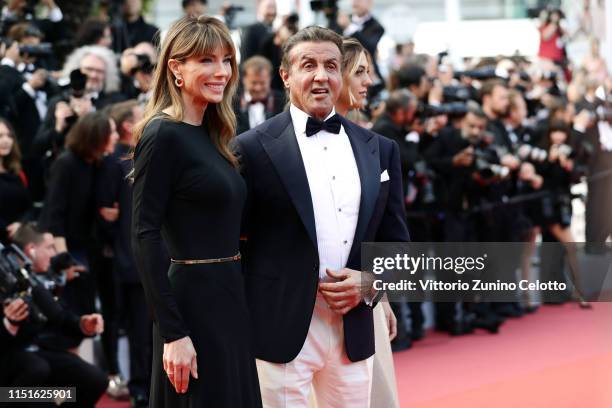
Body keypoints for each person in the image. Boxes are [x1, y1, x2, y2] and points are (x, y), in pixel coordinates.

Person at [235, 26, 410, 408]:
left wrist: (371, 282)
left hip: (353, 326)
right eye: (307, 64)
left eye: (331, 65)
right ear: (286, 75)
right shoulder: (250, 148)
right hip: (280, 327)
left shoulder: (380, 150)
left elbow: (397, 242)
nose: (320, 75)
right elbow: (234, 243)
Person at [131, 15, 261, 407]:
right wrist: (173, 333)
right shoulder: (161, 134)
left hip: (229, 297)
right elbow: (144, 234)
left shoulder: (215, 134)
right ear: (176, 68)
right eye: (206, 61)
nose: (220, 72)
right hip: (192, 304)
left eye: (226, 60)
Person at [335, 37, 400, 408]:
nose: (367, 81)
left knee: (377, 398)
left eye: (369, 72)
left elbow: (386, 233)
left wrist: (381, 291)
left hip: (365, 300)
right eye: (359, 71)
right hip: (301, 311)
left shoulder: (382, 148)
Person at [38, 111, 119, 319]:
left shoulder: (96, 163)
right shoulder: (66, 164)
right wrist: (65, 261)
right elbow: (54, 214)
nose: (116, 136)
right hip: (67, 249)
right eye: (111, 132)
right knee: (75, 313)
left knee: (91, 311)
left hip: (89, 248)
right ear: (95, 136)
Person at [0, 117, 32, 243]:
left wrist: (20, 225)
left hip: (20, 241)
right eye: (0, 136)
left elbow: (29, 207)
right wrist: (8, 230)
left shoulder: (17, 173)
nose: (6, 140)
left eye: (9, 136)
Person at [235, 56, 285, 134]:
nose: (258, 88)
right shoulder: (233, 103)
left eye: (262, 83)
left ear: (270, 79)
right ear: (244, 79)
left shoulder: (283, 101)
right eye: (254, 83)